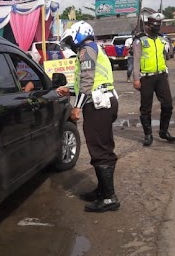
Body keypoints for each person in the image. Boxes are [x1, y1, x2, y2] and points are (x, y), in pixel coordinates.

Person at [56, 21, 120, 213]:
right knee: (103, 146)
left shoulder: (86, 50)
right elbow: (90, 82)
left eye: (71, 40)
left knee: (99, 149)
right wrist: (70, 90)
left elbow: (87, 80)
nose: (71, 45)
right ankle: (103, 190)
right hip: (104, 101)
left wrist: (77, 107)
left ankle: (109, 197)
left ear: (79, 35)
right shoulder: (94, 49)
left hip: (98, 104)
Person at [132, 13, 175, 146]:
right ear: (147, 25)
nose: (156, 28)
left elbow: (168, 55)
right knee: (146, 108)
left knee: (168, 104)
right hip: (146, 77)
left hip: (161, 76)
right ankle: (148, 134)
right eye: (154, 25)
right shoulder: (140, 40)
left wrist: (169, 45)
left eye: (158, 25)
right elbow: (136, 60)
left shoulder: (161, 39)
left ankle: (164, 131)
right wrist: (136, 79)